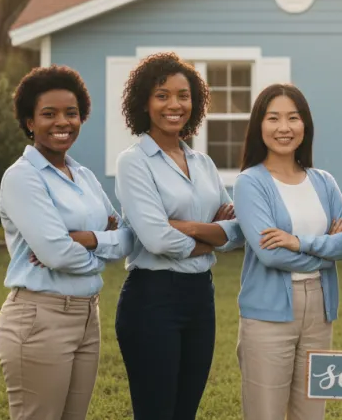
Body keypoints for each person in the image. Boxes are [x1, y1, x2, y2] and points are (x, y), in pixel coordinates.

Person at [0, 65, 133, 420]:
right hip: (40, 318)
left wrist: (85, 239)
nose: (62, 122)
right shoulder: (21, 178)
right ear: (29, 122)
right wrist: (100, 250)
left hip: (88, 315)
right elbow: (56, 253)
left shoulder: (84, 176)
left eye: (71, 113)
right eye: (49, 114)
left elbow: (126, 239)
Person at [113, 52, 244, 420]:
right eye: (162, 95)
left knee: (185, 411)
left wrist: (185, 227)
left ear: (195, 102)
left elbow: (237, 230)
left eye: (183, 95)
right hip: (152, 300)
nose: (174, 104)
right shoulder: (133, 162)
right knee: (156, 412)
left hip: (201, 297)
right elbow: (156, 239)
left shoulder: (203, 164)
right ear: (144, 102)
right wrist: (211, 238)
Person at [231, 83, 342, 420]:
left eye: (293, 117)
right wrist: (326, 251)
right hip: (267, 315)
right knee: (266, 413)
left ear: (305, 125)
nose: (284, 127)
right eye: (273, 118)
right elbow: (270, 254)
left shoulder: (323, 181)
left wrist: (299, 242)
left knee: (311, 412)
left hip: (320, 311)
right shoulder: (250, 182)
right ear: (260, 126)